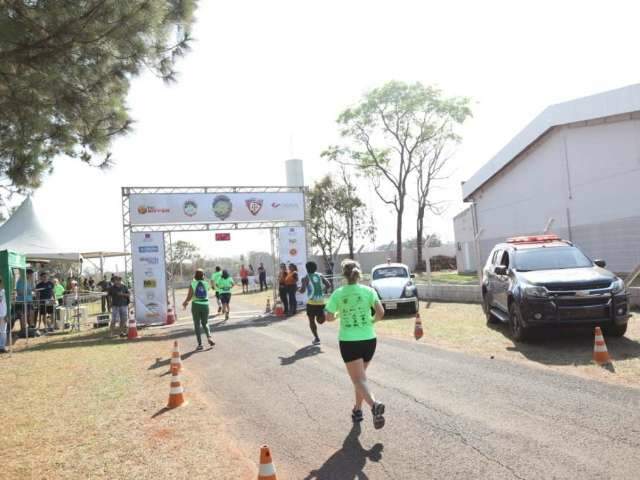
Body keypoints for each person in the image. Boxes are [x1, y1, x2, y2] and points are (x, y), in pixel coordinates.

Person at [325, 259, 386, 429]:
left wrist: (337, 314)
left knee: (358, 379)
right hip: (369, 339)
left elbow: (328, 317)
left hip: (349, 341)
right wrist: (371, 321)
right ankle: (358, 409)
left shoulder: (338, 293)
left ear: (343, 274)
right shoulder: (369, 291)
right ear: (358, 274)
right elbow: (381, 313)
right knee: (361, 379)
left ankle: (374, 406)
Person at [299, 261, 332, 345]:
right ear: (316, 268)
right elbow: (328, 285)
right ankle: (323, 314)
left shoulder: (305, 278)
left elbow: (302, 291)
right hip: (321, 302)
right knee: (320, 321)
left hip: (311, 303)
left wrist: (297, 289)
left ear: (306, 269)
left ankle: (316, 338)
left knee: (312, 321)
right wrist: (322, 291)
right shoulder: (320, 276)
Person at [182, 268, 214, 351]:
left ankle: (200, 344)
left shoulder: (193, 283)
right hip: (205, 305)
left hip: (196, 305)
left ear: (195, 275)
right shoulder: (206, 283)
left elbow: (189, 296)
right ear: (203, 275)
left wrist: (185, 302)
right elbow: (209, 289)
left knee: (197, 324)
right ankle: (209, 337)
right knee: (205, 323)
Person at [0, 278, 7, 353]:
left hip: (3, 313)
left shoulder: (4, 291)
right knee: (3, 331)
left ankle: (2, 346)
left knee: (3, 331)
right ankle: (1, 347)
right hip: (2, 314)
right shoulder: (3, 291)